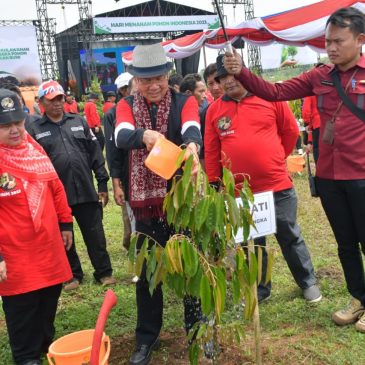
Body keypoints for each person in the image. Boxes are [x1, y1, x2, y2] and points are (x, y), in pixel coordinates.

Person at [224, 6, 365, 330]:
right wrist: (243, 72)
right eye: (327, 41)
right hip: (330, 177)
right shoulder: (320, 76)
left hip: (362, 174)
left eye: (338, 41)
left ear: (359, 39)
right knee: (345, 243)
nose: (330, 47)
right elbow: (275, 92)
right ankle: (358, 298)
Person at [205, 54, 322, 304]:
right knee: (251, 242)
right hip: (238, 192)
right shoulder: (215, 110)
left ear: (244, 72)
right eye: (222, 77)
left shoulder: (270, 98)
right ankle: (260, 287)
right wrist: (215, 181)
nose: (228, 81)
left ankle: (307, 281)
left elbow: (290, 132)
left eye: (233, 74)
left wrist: (276, 159)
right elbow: (212, 148)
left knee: (288, 233)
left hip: (276, 185)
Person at [115, 43, 202, 365]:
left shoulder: (184, 101)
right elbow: (121, 136)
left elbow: (192, 126)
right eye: (145, 79)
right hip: (146, 209)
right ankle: (146, 338)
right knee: (148, 274)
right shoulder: (125, 105)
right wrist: (145, 135)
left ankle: (197, 330)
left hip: (180, 203)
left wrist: (192, 145)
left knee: (191, 267)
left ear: (168, 75)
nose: (153, 85)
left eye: (159, 78)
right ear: (135, 80)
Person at [0, 89, 73, 365]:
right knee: (23, 310)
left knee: (47, 303)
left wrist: (65, 222)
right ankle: (27, 357)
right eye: (5, 126)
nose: (15, 130)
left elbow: (55, 187)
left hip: (48, 247)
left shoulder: (34, 149)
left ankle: (44, 347)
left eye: (18, 122)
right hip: (15, 255)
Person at [26, 80, 116, 291]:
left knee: (95, 234)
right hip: (56, 195)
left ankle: (104, 272)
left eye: (60, 99)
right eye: (51, 100)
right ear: (41, 103)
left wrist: (102, 182)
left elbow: (95, 153)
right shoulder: (35, 130)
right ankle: (72, 275)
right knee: (63, 238)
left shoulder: (78, 122)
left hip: (85, 189)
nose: (57, 104)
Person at [302, 95, 321, 164]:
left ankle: (320, 172)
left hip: (317, 124)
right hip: (330, 124)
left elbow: (306, 110)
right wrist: (309, 142)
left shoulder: (310, 92)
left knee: (317, 150)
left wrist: (306, 123)